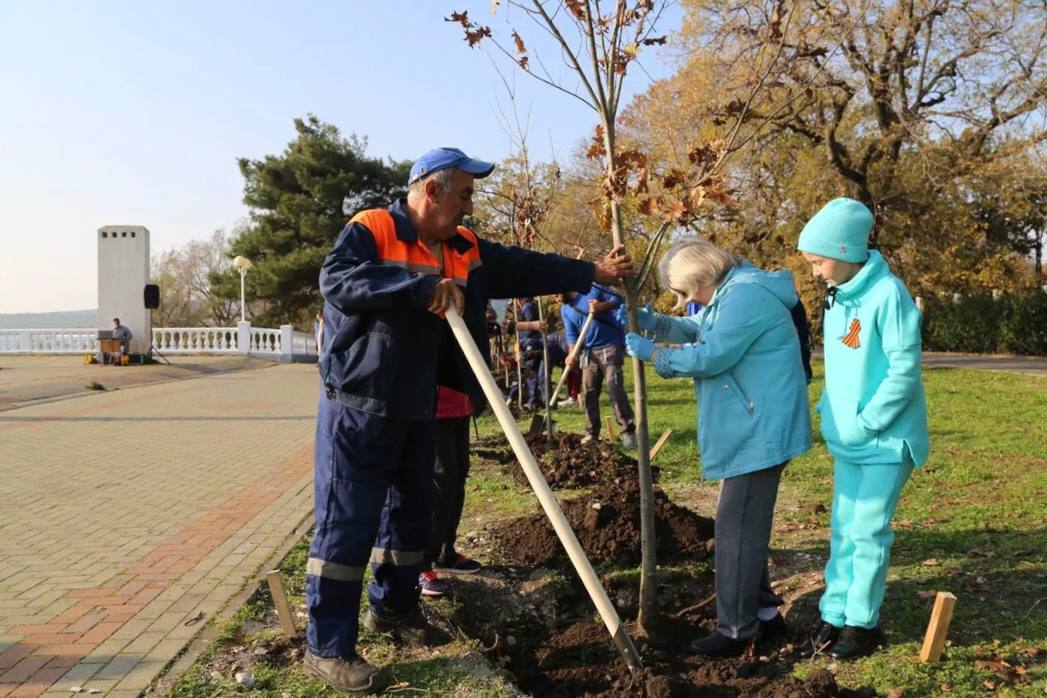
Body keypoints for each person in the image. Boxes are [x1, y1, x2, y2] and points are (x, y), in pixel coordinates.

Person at [304, 146, 633, 695]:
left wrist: (590, 270)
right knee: (348, 521)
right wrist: (415, 288)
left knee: (411, 517)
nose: (469, 205)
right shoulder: (373, 229)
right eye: (463, 194)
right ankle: (328, 646)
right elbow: (338, 281)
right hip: (359, 404)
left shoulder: (466, 248)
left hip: (420, 401)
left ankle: (395, 609)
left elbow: (526, 266)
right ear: (431, 191)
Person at [624, 238, 812, 657]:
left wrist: (655, 355)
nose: (686, 301)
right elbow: (701, 328)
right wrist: (652, 324)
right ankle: (764, 615)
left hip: (760, 429)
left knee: (735, 531)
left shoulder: (744, 295)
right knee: (745, 526)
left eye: (686, 292)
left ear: (703, 277)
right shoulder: (736, 289)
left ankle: (736, 630)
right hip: (755, 423)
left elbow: (710, 355)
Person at [796, 198, 929, 659]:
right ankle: (835, 612)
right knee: (843, 527)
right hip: (847, 439)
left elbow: (904, 371)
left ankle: (862, 624)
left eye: (818, 261)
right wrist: (832, 410)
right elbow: (843, 369)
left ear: (846, 249)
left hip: (886, 441)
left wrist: (868, 419)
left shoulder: (888, 294)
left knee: (869, 531)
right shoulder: (838, 296)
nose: (815, 272)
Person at [560, 286, 636, 448]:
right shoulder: (565, 309)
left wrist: (602, 306)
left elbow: (619, 299)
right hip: (589, 352)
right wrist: (571, 354)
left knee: (613, 387)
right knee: (588, 392)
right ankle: (592, 433)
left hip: (611, 345)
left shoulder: (591, 289)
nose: (555, 298)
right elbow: (572, 335)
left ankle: (628, 431)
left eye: (556, 294)